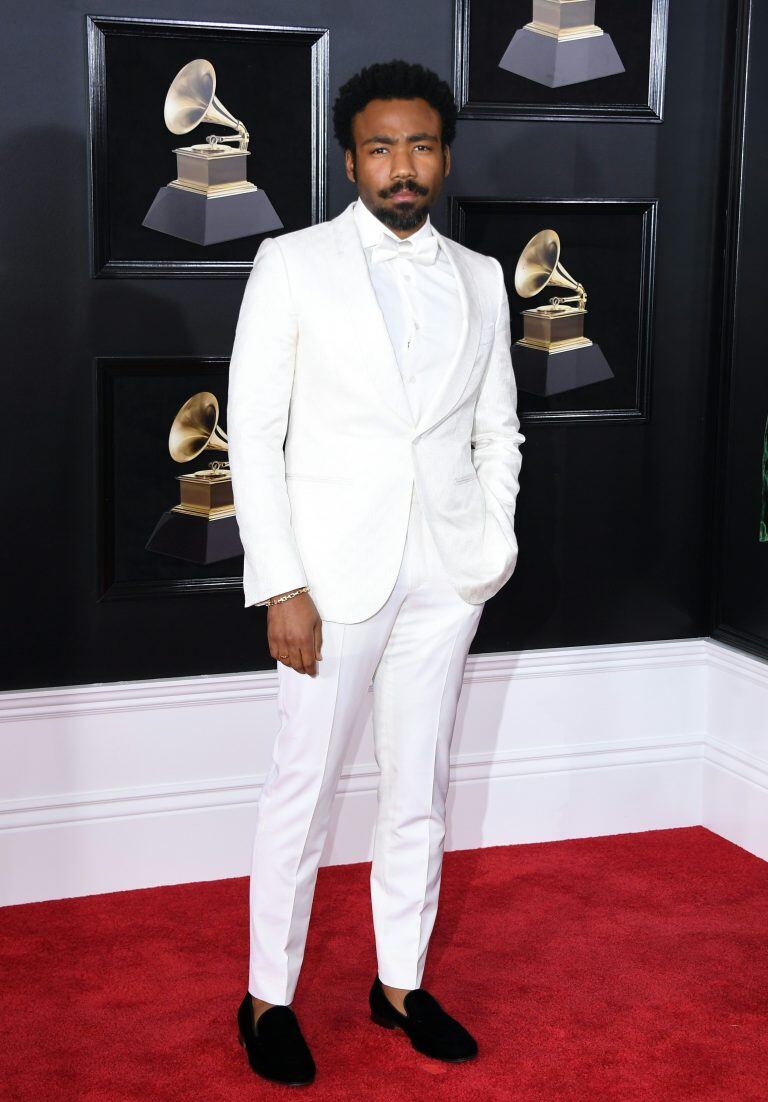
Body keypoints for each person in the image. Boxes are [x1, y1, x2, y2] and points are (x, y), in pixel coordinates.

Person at [226, 59, 525, 1086]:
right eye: (383, 147)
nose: (405, 166)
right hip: (329, 582)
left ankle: (399, 982)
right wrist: (284, 583)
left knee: (419, 788)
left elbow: (499, 428)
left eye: (423, 145)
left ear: (445, 154)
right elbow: (253, 439)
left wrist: (491, 548)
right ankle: (267, 997)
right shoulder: (291, 263)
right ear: (349, 157)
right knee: (302, 793)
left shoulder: (482, 276)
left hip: (445, 577)